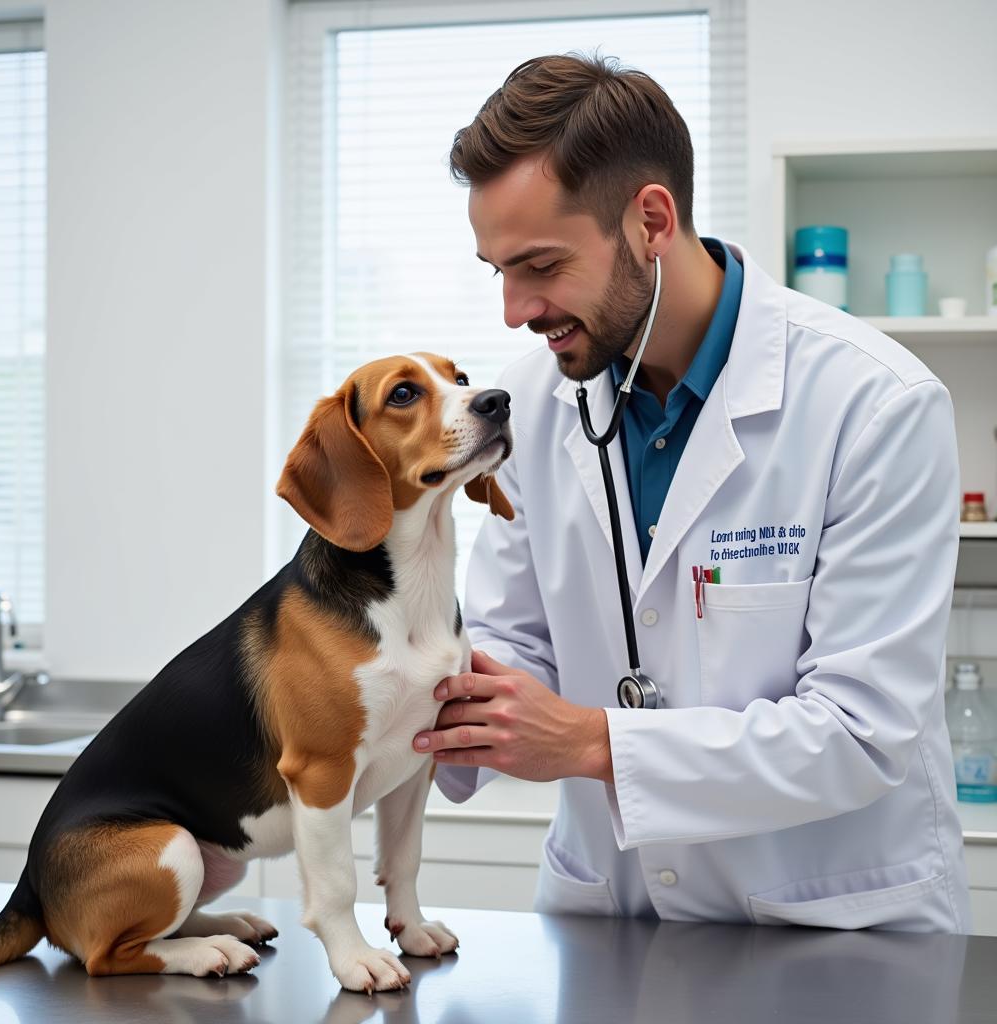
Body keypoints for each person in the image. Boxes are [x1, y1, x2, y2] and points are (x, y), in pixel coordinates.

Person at [411, 53, 969, 932]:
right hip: (613, 921)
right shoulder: (537, 407)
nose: (515, 309)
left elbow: (860, 735)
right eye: (498, 271)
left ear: (652, 221)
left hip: (831, 928)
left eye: (542, 266)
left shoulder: (874, 407)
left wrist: (596, 742)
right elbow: (514, 645)